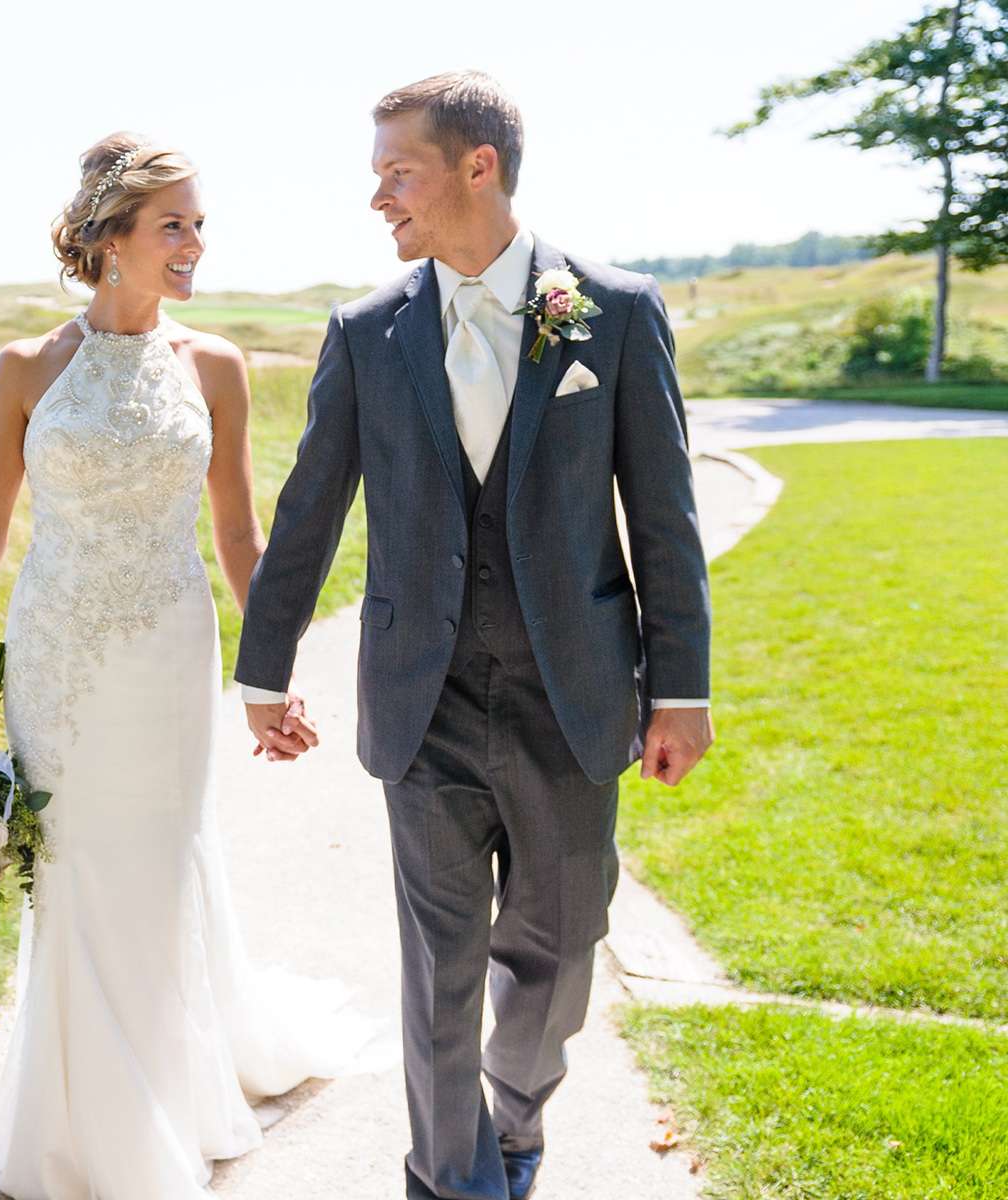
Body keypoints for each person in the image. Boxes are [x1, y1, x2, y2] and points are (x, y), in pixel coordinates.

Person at [234, 71, 715, 1200]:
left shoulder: (617, 310)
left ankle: (516, 1113)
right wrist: (264, 668)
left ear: (476, 166)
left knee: (554, 962)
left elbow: (665, 516)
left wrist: (679, 689)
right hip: (424, 700)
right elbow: (309, 511)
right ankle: (450, 1178)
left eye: (396, 172)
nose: (379, 200)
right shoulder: (364, 333)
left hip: (575, 696)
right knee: (438, 969)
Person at [0, 132, 395, 1200]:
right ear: (109, 240)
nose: (194, 243)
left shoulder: (215, 366)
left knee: (161, 858)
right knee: (78, 870)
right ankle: (81, 1122)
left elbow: (238, 537)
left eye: (198, 224)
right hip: (59, 654)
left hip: (168, 648)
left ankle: (166, 1100)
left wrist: (268, 674)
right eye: (174, 223)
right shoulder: (26, 368)